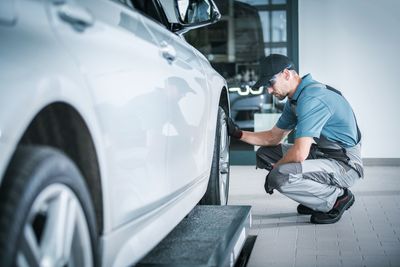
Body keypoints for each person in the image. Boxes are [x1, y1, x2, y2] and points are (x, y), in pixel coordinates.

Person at [227, 54, 363, 224]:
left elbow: (299, 153)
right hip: (323, 155)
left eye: (270, 83)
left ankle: (337, 198)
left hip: (345, 165)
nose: (269, 90)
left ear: (286, 74)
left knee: (280, 176)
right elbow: (273, 137)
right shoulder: (295, 99)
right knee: (265, 154)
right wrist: (238, 133)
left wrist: (276, 170)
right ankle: (315, 200)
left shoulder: (312, 98)